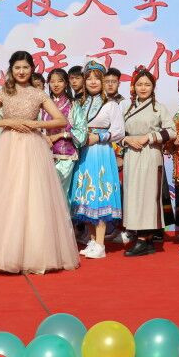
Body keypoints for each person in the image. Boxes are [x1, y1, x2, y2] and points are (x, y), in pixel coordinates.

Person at [0, 50, 79, 274]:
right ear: (11, 69)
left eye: (25, 67)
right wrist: (9, 122)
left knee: (33, 196)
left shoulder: (38, 94)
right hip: (9, 147)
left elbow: (61, 119)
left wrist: (36, 124)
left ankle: (34, 254)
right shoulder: (3, 92)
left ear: (32, 69)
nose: (21, 71)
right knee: (8, 195)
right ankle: (4, 253)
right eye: (17, 67)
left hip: (33, 146)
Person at [69, 61, 124, 259]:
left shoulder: (111, 104)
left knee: (99, 192)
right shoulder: (79, 104)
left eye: (97, 78)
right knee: (85, 193)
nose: (93, 82)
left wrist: (99, 137)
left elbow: (119, 131)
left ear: (103, 81)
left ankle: (100, 244)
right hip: (83, 152)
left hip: (100, 152)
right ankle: (92, 240)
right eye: (89, 78)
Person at [122, 67, 174, 257]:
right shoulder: (126, 108)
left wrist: (149, 137)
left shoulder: (159, 108)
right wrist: (126, 140)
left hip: (150, 153)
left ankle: (144, 238)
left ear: (153, 87)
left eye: (147, 84)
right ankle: (145, 238)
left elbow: (172, 131)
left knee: (148, 195)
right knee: (133, 195)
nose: (143, 88)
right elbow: (118, 133)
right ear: (133, 87)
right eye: (139, 84)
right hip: (131, 154)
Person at [45, 68, 77, 195]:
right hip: (45, 153)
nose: (56, 84)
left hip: (65, 155)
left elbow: (80, 131)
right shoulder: (44, 104)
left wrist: (60, 135)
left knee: (60, 191)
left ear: (66, 83)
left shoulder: (73, 104)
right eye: (52, 81)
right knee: (45, 190)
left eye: (60, 81)